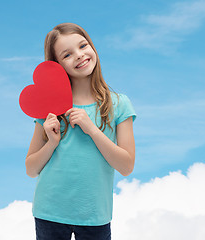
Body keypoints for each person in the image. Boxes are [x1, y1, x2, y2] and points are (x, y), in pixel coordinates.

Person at [25, 23, 136, 240]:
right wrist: (52, 143)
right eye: (67, 54)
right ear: (57, 65)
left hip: (95, 215)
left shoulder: (119, 104)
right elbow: (30, 169)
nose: (79, 55)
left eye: (83, 45)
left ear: (92, 47)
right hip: (49, 212)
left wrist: (92, 130)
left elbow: (127, 166)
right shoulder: (49, 107)